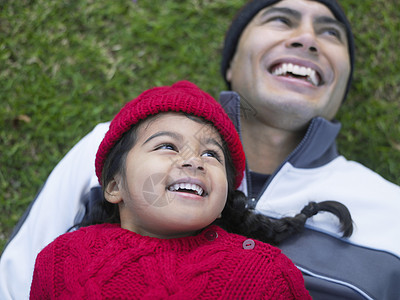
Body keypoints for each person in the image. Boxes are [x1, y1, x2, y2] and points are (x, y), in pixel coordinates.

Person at [1, 0, 400, 299]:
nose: (307, 39)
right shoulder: (109, 145)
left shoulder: (391, 215)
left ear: (342, 81)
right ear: (231, 63)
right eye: (280, 20)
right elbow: (14, 285)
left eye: (330, 33)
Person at [30, 80, 342, 298]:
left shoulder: (265, 273)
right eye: (167, 145)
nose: (194, 161)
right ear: (114, 185)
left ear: (224, 199)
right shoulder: (60, 260)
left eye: (211, 155)